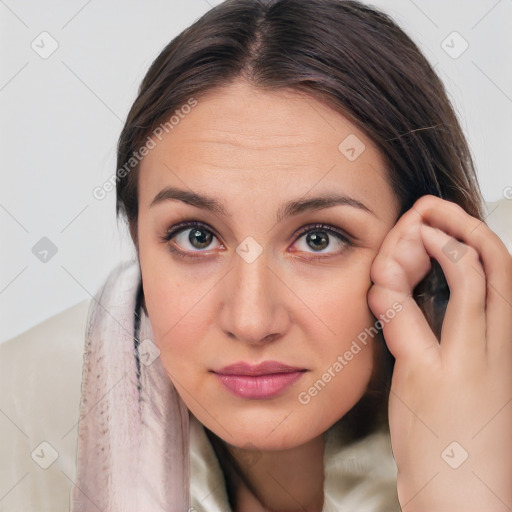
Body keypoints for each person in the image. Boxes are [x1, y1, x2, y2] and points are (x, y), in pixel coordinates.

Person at [4, 1, 510, 511]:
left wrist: (462, 489)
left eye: (318, 239)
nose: (251, 320)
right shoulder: (25, 435)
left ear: (423, 255)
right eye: (196, 237)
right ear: (138, 241)